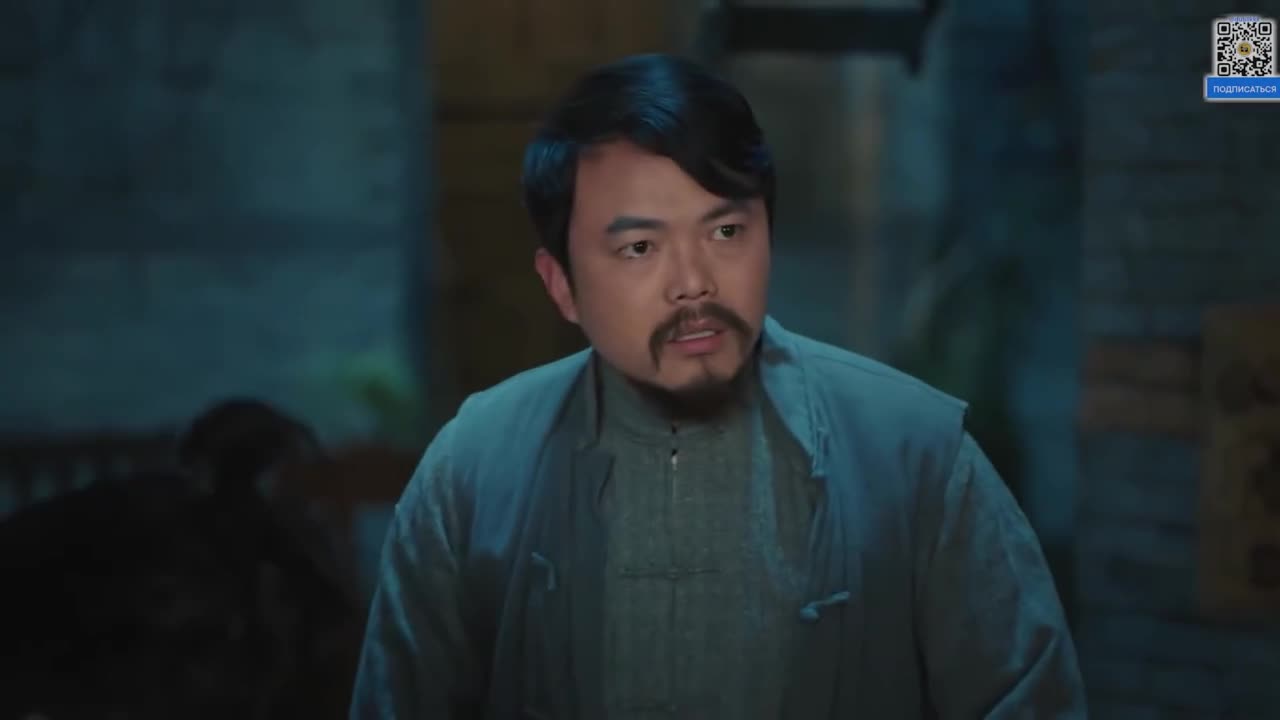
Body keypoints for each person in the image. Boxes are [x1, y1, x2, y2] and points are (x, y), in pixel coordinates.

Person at [350, 53, 1085, 719]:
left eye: (726, 232)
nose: (694, 283)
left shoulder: (915, 456)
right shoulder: (474, 470)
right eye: (640, 247)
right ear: (562, 285)